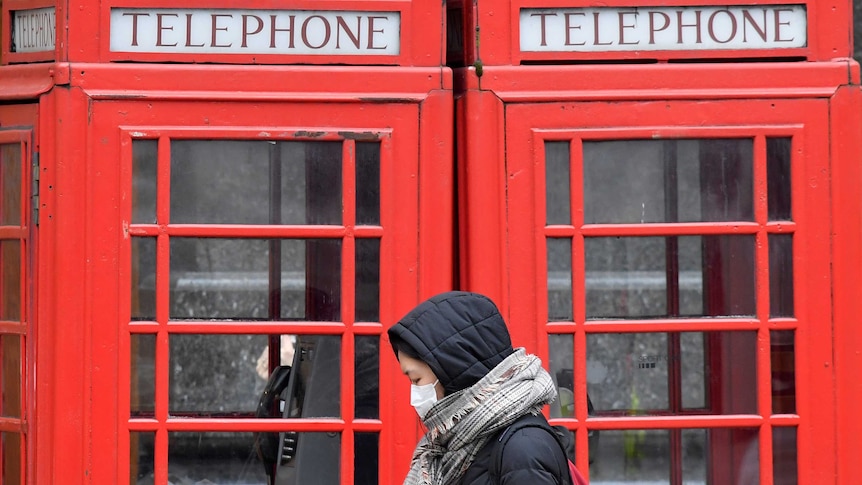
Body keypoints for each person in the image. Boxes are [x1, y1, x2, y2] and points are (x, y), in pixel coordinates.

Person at [387, 291, 574, 485]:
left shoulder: (524, 450)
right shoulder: (457, 445)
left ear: (451, 370)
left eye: (416, 379)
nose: (413, 396)